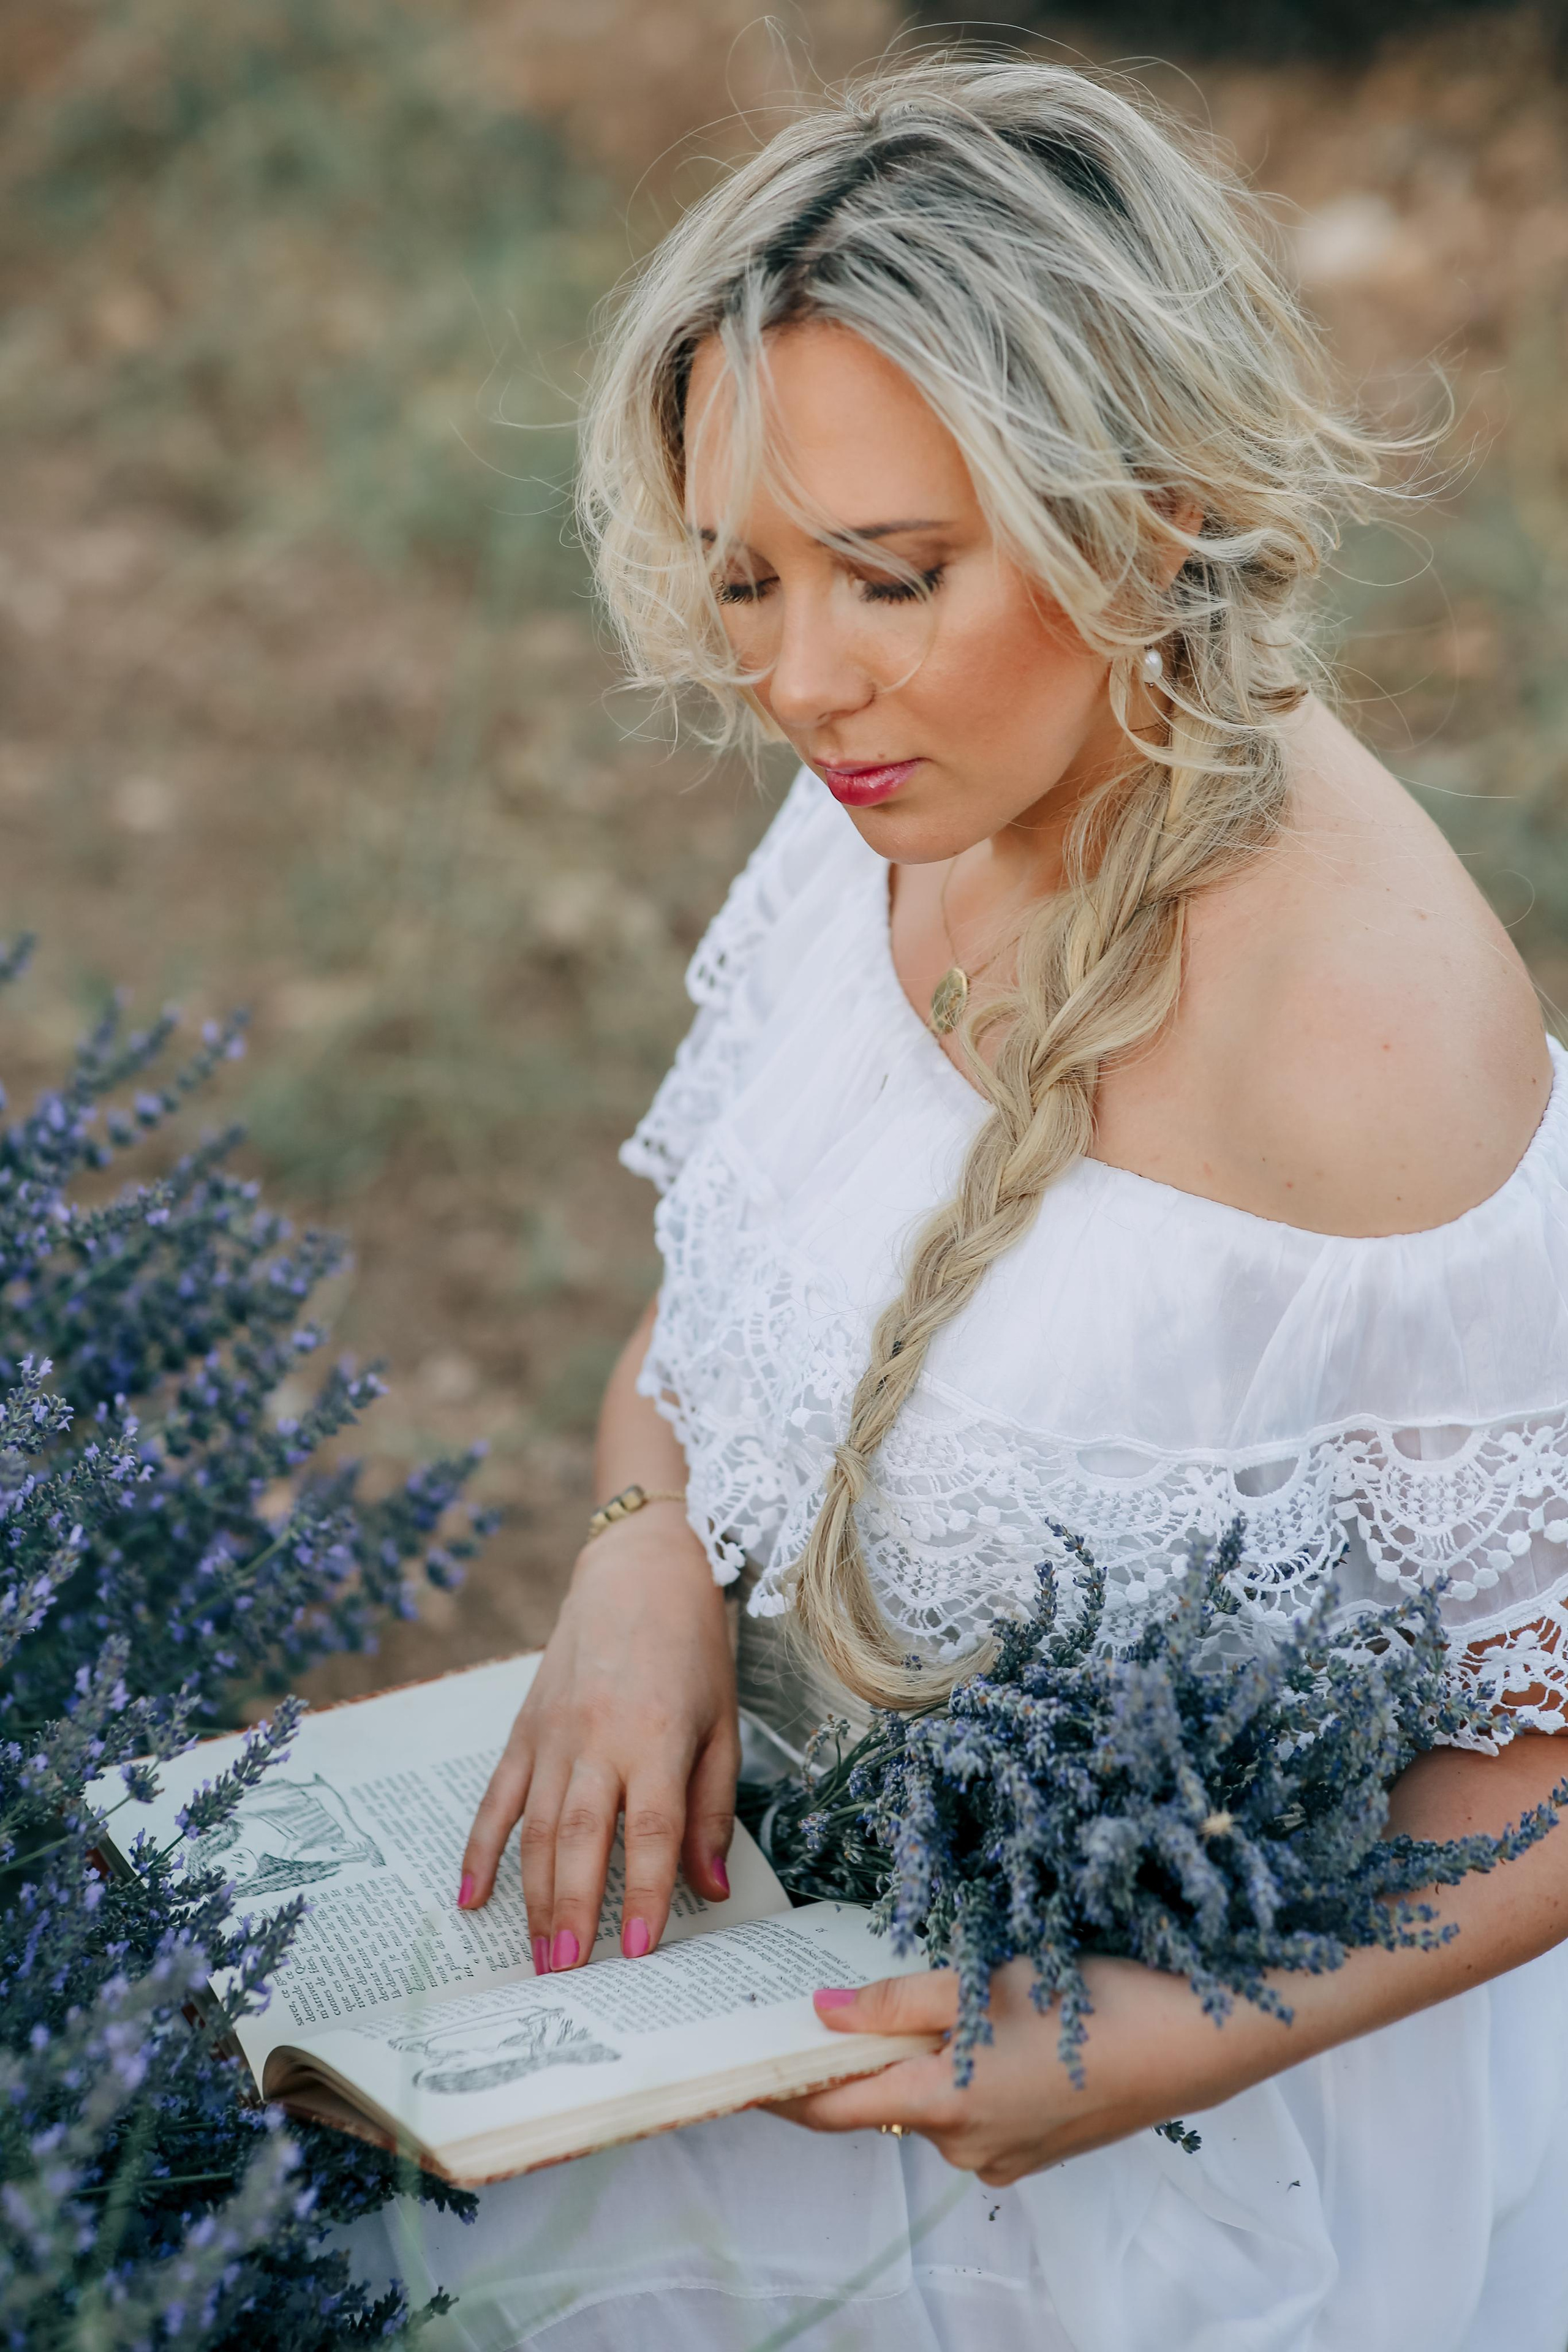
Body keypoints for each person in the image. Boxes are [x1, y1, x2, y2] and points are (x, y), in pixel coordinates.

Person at [347, 57, 1568, 2351]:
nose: (799, 681)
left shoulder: (1371, 1051)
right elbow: (732, 1302)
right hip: (799, 1967)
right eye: (746, 578)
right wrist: (639, 1562)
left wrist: (1156, 2044)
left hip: (1184, 2167)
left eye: (894, 577)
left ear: (1148, 514)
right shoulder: (904, 787)